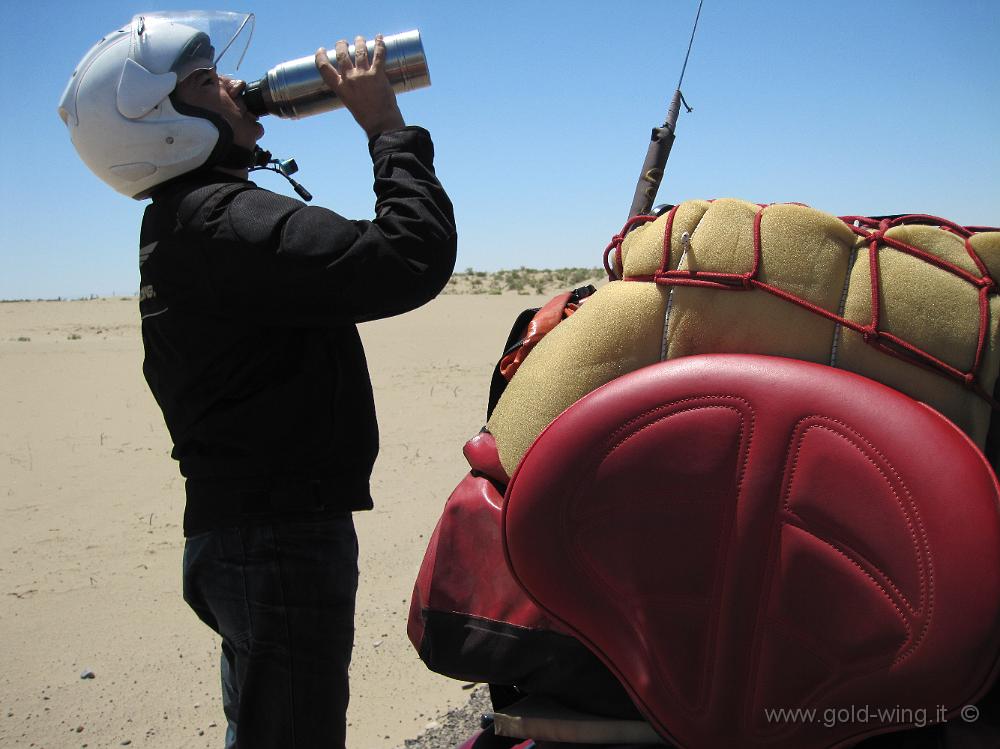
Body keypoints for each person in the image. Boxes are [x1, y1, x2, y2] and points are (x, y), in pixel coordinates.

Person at [59, 11, 456, 748]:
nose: (239, 86)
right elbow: (410, 256)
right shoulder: (221, 224)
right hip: (274, 541)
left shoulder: (188, 225)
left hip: (250, 534)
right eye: (208, 81)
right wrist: (385, 126)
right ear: (162, 124)